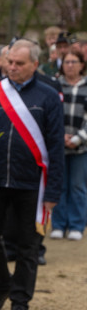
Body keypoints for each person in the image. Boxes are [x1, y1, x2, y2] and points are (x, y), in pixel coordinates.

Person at [0, 39, 65, 310]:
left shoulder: (48, 96)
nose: (12, 68)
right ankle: (2, 286)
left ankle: (20, 301)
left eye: (19, 64)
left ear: (34, 64)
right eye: (9, 62)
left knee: (28, 244)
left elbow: (56, 146)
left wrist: (53, 191)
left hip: (32, 184)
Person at [51, 49, 87, 239]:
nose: (70, 65)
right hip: (58, 145)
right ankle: (58, 224)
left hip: (81, 146)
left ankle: (76, 225)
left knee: (77, 186)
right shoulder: (56, 87)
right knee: (59, 185)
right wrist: (60, 136)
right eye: (67, 62)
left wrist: (78, 138)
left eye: (74, 62)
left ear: (82, 65)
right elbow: (51, 114)